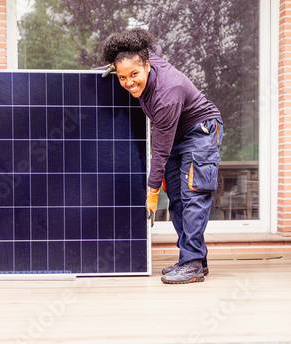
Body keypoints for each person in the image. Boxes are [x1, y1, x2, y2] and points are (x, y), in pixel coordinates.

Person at [102, 28, 223, 284]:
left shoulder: (167, 92)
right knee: (178, 201)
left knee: (193, 197)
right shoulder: (145, 56)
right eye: (121, 76)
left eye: (134, 74)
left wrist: (153, 192)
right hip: (178, 135)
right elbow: (153, 46)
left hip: (200, 132)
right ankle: (195, 259)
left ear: (146, 66)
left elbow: (160, 150)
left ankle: (191, 264)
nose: (128, 83)